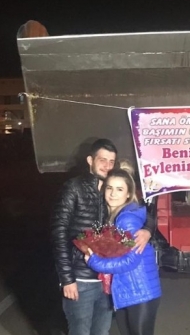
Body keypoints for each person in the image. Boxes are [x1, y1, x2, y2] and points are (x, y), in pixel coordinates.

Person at [51, 139, 152, 335]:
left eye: (111, 161)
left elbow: (141, 212)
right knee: (80, 330)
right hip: (81, 279)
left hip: (108, 279)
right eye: (102, 160)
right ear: (90, 160)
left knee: (102, 331)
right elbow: (59, 233)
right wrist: (67, 279)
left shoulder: (111, 190)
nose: (107, 166)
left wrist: (148, 230)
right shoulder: (74, 188)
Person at [85, 169, 162, 335]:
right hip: (130, 289)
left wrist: (94, 262)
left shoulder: (126, 220)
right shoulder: (117, 215)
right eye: (109, 188)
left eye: (119, 189)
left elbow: (131, 260)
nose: (113, 194)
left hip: (139, 291)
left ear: (128, 194)